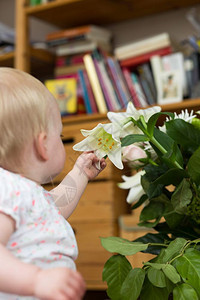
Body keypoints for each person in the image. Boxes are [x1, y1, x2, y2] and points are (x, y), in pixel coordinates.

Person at [0, 67, 106, 300]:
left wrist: (80, 173)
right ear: (43, 145)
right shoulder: (6, 188)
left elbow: (55, 208)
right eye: (59, 136)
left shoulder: (25, 192)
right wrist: (36, 280)